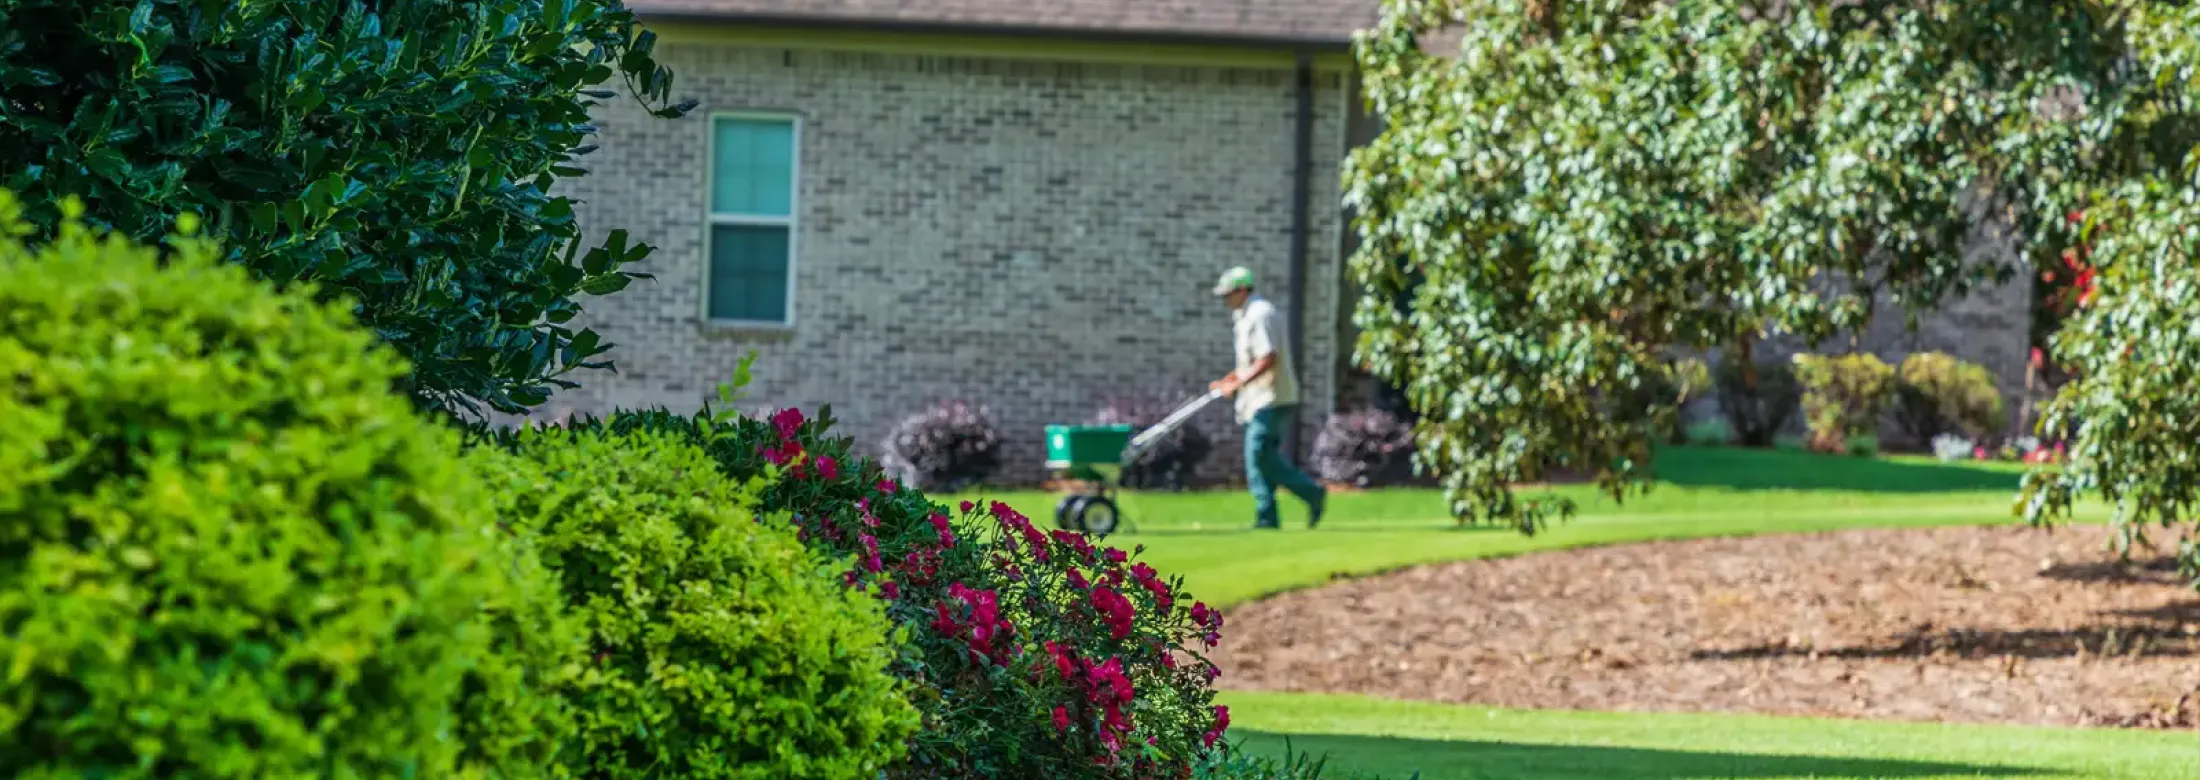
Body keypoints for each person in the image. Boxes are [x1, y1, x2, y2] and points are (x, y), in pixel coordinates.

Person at [1208, 266, 1327, 530]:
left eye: (1227, 294)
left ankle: (1307, 494)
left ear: (1242, 290)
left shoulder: (1261, 314)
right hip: (1256, 399)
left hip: (1272, 397)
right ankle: (1269, 518)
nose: (1224, 300)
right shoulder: (1244, 315)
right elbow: (1249, 361)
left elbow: (1267, 358)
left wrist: (1238, 383)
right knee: (1261, 459)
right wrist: (1230, 380)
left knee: (1258, 455)